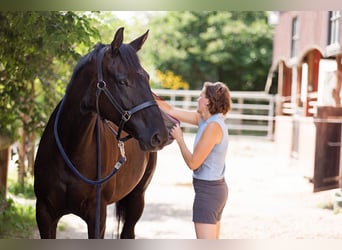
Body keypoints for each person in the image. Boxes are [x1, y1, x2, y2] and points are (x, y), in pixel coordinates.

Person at [155, 81, 232, 239]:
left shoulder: (213, 127)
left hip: (208, 192)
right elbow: (170, 110)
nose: (198, 99)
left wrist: (180, 139)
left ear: (208, 101)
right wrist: (143, 89)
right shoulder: (204, 120)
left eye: (201, 96)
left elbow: (193, 163)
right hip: (213, 190)